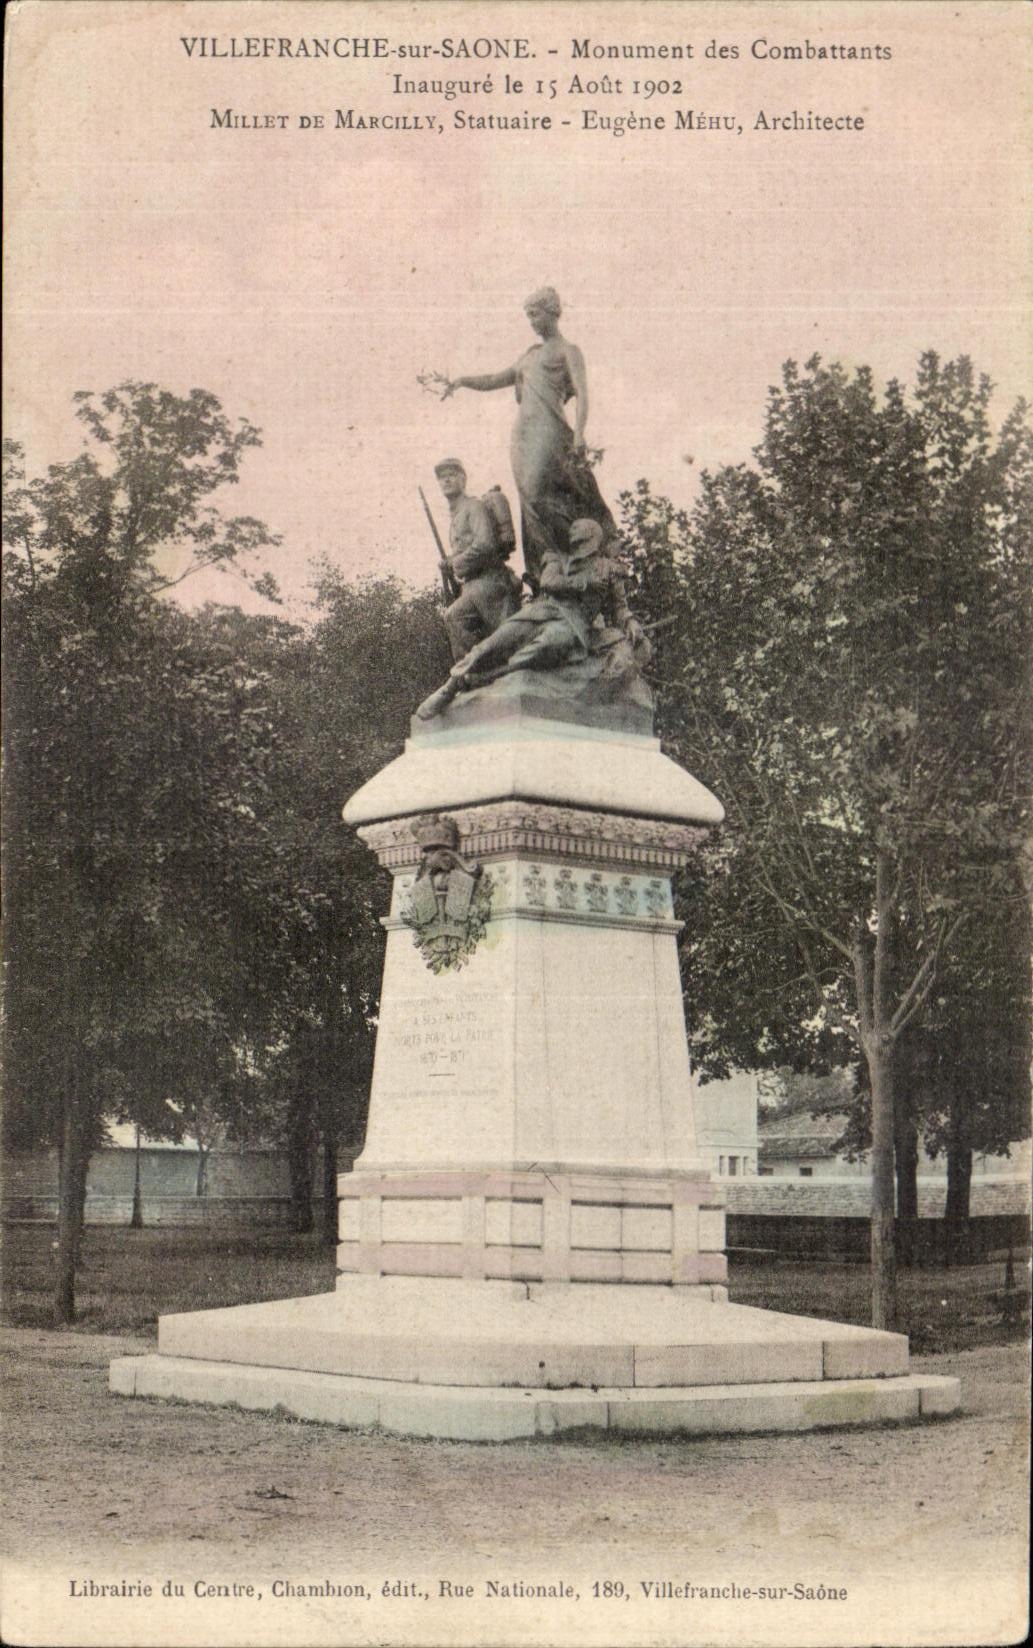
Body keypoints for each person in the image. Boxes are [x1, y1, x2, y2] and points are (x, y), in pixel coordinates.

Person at [440, 288, 617, 585]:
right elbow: (495, 379)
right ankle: (546, 566)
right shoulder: (528, 356)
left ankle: (570, 556)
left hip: (550, 430)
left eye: (535, 314)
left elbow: (583, 395)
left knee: (540, 491)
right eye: (528, 316)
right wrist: (462, 381)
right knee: (530, 501)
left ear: (553, 311)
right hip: (522, 436)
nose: (532, 322)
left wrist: (580, 434)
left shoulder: (568, 351)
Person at [416, 518, 646, 720]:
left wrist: (631, 622)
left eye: (577, 527)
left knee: (538, 651)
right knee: (494, 643)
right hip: (541, 611)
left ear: (592, 534)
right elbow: (548, 582)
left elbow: (619, 607)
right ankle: (451, 684)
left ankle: (483, 678)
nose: (572, 530)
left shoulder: (610, 569)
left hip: (573, 625)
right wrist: (583, 583)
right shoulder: (557, 558)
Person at [434, 459, 522, 660]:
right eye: (442, 477)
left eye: (451, 474)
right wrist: (449, 562)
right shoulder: (456, 516)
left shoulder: (473, 506)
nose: (446, 480)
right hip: (473, 586)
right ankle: (476, 675)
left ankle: (480, 673)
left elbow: (486, 544)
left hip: (491, 583)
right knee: (454, 617)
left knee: (511, 645)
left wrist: (455, 563)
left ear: (463, 479)